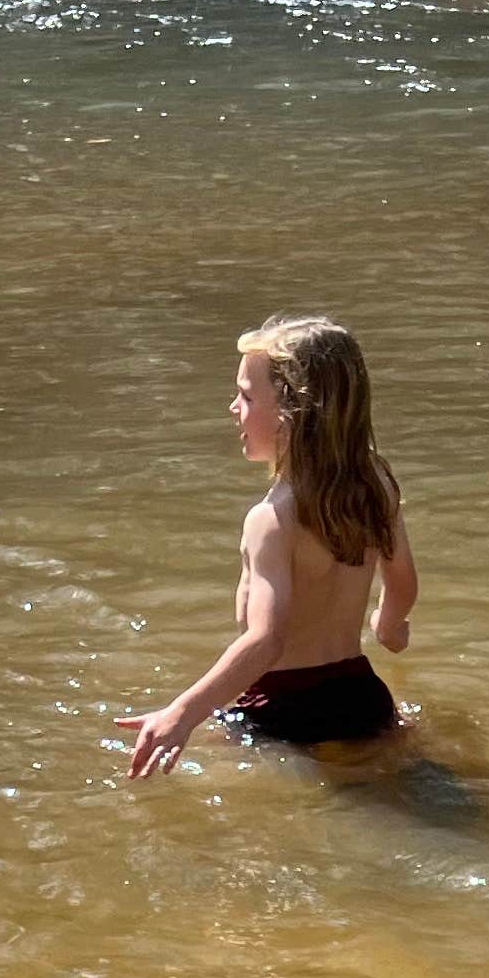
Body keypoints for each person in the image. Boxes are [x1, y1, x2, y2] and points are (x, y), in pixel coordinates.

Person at [120, 314, 418, 774]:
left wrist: (182, 712)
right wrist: (389, 625)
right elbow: (402, 583)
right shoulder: (375, 484)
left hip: (282, 709)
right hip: (364, 698)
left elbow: (266, 639)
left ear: (288, 411)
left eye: (245, 395)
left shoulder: (272, 518)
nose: (233, 408)